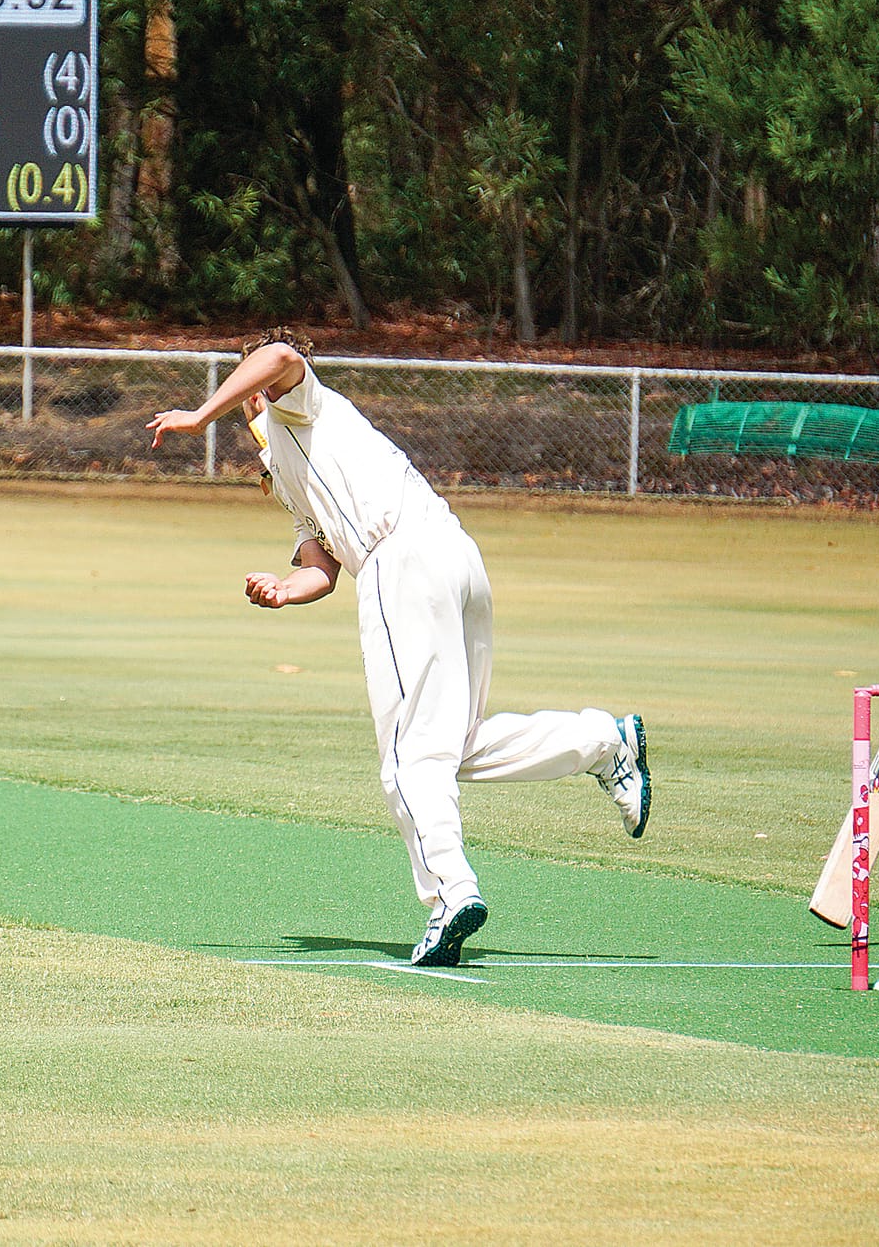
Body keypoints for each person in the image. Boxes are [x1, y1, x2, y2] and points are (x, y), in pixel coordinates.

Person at [146, 327, 652, 967]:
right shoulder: (285, 468)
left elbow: (279, 356)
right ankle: (604, 741)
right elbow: (321, 569)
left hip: (404, 560)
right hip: (452, 558)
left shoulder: (301, 404)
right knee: (453, 745)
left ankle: (452, 892)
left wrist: (200, 416)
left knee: (408, 761)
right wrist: (282, 590)